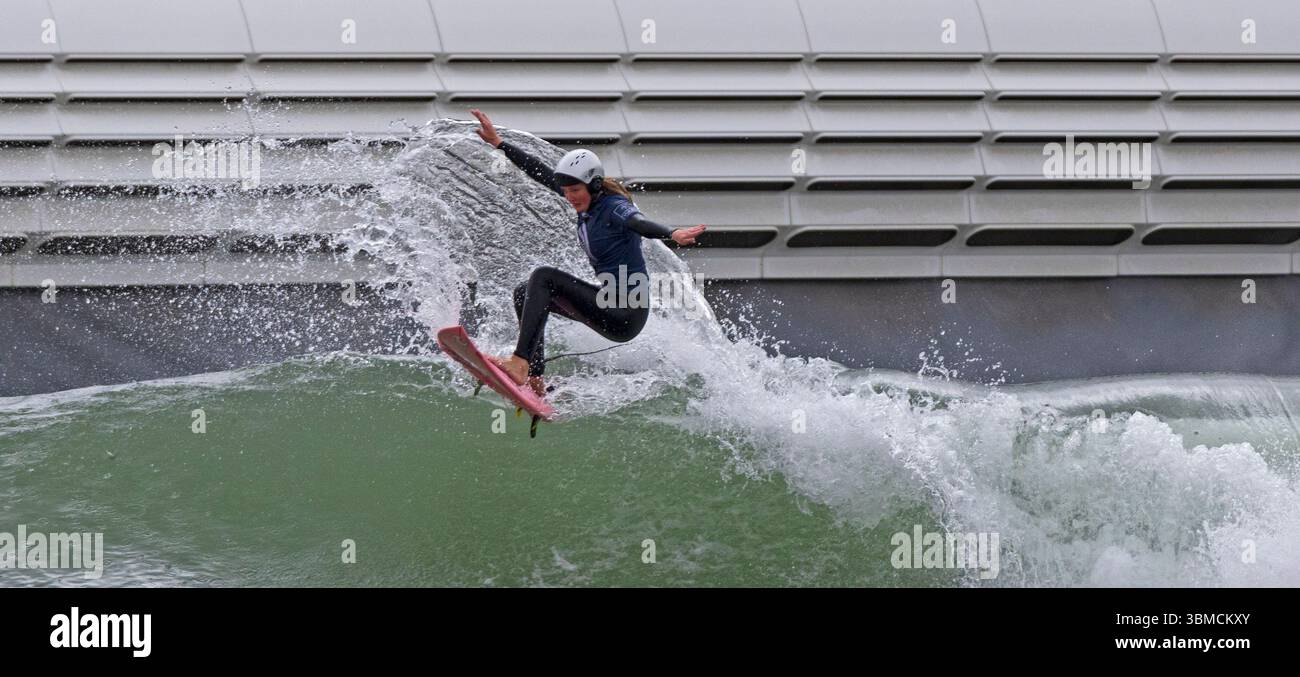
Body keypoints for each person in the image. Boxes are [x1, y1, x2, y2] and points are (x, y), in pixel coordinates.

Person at [470, 109, 707, 396]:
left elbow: (637, 222)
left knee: (544, 277)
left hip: (625, 312)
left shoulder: (613, 207)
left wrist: (671, 233)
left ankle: (519, 364)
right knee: (526, 292)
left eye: (575, 190)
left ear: (594, 185)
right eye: (566, 191)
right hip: (609, 303)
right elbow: (540, 172)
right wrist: (498, 143)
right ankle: (534, 379)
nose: (569, 197)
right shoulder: (587, 203)